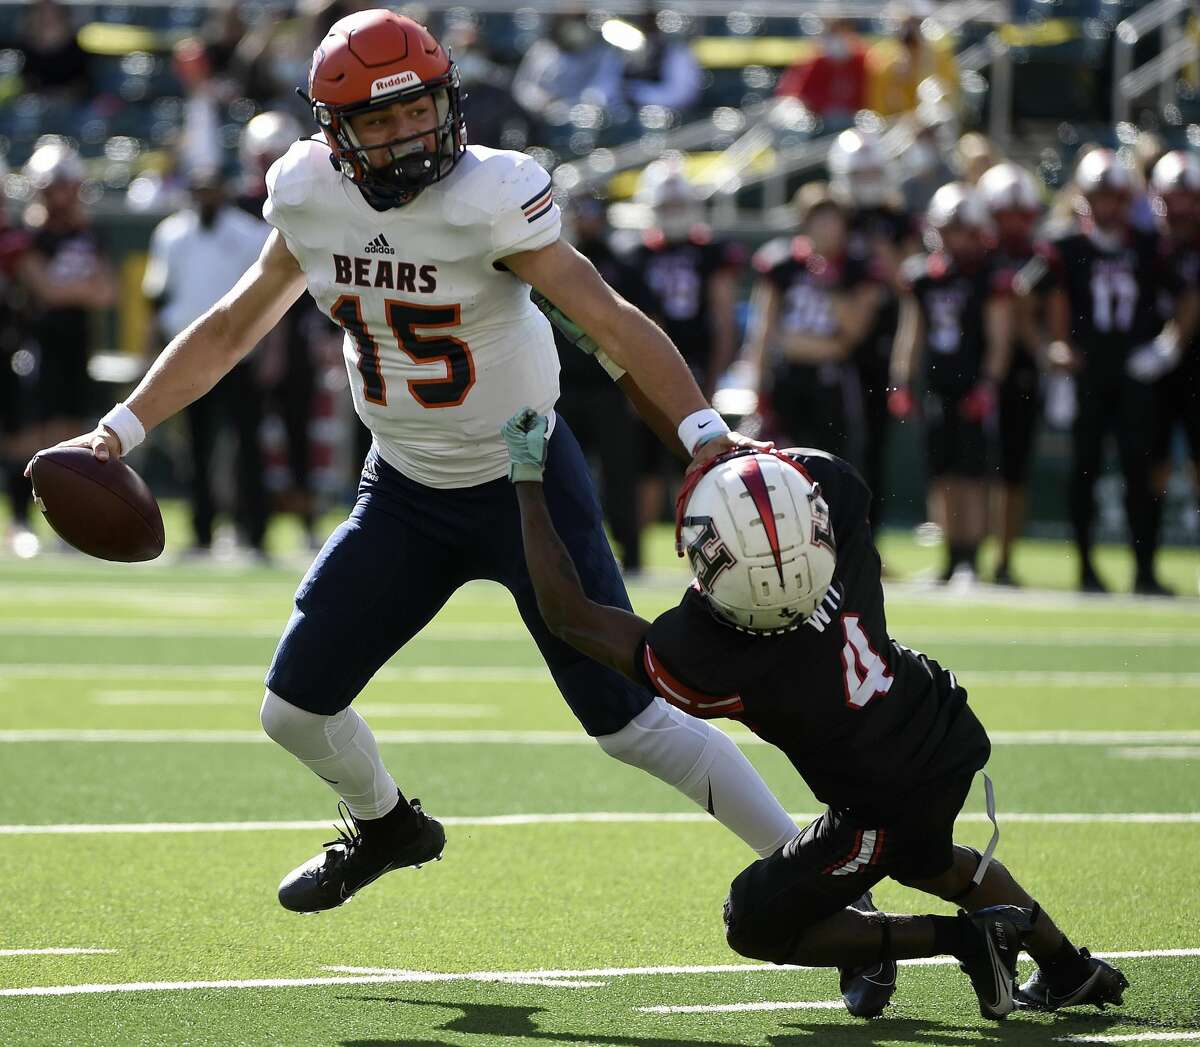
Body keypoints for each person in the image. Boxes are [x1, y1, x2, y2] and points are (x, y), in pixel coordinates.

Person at [34, 10, 797, 915]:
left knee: (631, 726)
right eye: (380, 121)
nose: (407, 135)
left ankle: (812, 867)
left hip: (525, 483)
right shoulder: (309, 195)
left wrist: (706, 434)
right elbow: (234, 327)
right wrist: (115, 432)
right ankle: (387, 823)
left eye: (417, 111)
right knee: (292, 710)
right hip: (402, 483)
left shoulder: (491, 196)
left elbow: (608, 316)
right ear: (335, 133)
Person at [501, 414, 1130, 1021]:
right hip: (938, 723)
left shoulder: (710, 656)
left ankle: (962, 941)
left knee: (753, 920)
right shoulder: (838, 497)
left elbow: (569, 616)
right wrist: (723, 440)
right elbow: (785, 476)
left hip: (876, 798)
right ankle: (1068, 968)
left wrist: (528, 484)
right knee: (929, 860)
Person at [1034, 149, 1197, 595]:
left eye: (1115, 197)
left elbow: (1188, 296)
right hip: (1087, 372)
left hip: (1134, 374)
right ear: (1085, 198)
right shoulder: (1063, 246)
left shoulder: (1148, 246)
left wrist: (1168, 348)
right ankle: (1085, 568)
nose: (1108, 206)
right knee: (1083, 471)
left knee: (1140, 473)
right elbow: (1023, 298)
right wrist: (1051, 351)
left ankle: (1144, 570)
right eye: (1100, 196)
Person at [143, 168, 272, 559]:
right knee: (196, 447)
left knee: (247, 445)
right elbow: (157, 297)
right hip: (186, 353)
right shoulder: (171, 234)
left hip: (240, 355)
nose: (205, 196)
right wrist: (151, 355)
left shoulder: (250, 234)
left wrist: (271, 351)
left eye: (211, 189)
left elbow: (270, 298)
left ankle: (254, 533)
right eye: (198, 190)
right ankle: (202, 532)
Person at [889, 183, 1011, 584]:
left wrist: (988, 384)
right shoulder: (923, 276)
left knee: (973, 476)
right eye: (949, 228)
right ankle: (949, 557)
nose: (954, 236)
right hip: (938, 385)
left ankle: (971, 561)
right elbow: (911, 333)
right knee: (941, 476)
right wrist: (901, 381)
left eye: (961, 228)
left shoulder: (990, 277)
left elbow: (999, 338)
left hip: (972, 385)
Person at [744, 183, 881, 461]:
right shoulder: (783, 264)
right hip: (786, 377)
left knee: (832, 464)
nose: (826, 228)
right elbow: (764, 329)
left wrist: (829, 283)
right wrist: (757, 385)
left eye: (832, 220)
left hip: (833, 381)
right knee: (781, 464)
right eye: (818, 220)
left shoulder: (858, 267)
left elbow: (852, 335)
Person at [829, 127, 918, 533]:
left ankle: (871, 536)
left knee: (876, 447)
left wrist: (886, 255)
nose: (865, 184)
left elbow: (912, 282)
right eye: (858, 174)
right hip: (837, 346)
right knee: (836, 444)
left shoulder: (898, 222)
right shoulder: (836, 217)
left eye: (871, 174)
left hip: (886, 343)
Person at [17, 140, 115, 467]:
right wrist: (82, 288)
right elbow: (46, 291)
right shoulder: (28, 236)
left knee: (75, 421)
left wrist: (70, 289)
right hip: (37, 340)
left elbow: (107, 292)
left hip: (79, 338)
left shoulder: (90, 234)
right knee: (37, 424)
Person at [978, 162, 1045, 586]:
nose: (1014, 226)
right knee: (968, 468)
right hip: (974, 369)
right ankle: (965, 554)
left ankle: (1002, 556)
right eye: (1006, 216)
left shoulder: (1043, 259)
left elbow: (1049, 317)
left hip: (1021, 372)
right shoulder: (974, 260)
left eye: (1021, 216)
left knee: (1012, 469)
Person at [1147, 150, 1200, 548]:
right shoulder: (1147, 243)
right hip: (1156, 368)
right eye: (1172, 198)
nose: (1179, 209)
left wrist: (1172, 343)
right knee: (1153, 460)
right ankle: (1146, 559)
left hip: (1194, 363)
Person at [774, 18, 866, 125]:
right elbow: (804, 95)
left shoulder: (862, 62)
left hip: (855, 119)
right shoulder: (816, 62)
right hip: (820, 121)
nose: (840, 40)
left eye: (845, 34)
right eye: (836, 34)